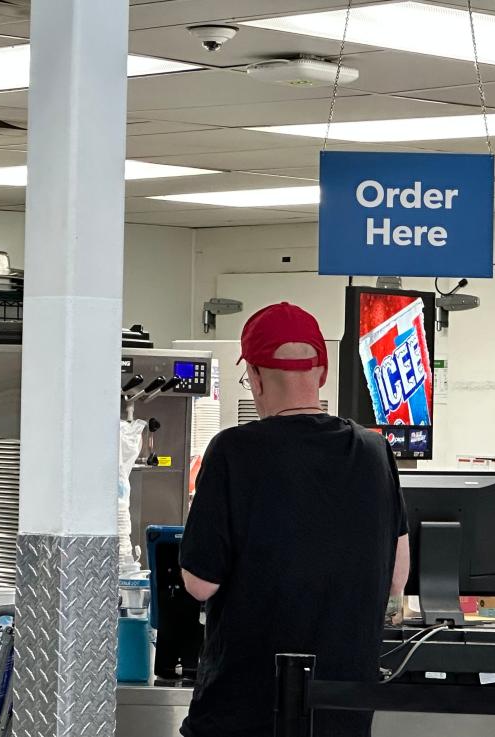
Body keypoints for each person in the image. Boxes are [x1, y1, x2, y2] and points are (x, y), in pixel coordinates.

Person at [179, 302, 410, 737]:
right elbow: (397, 577)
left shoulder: (233, 451)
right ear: (321, 374)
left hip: (242, 714)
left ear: (257, 377)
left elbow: (198, 583)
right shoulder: (375, 452)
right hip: (342, 713)